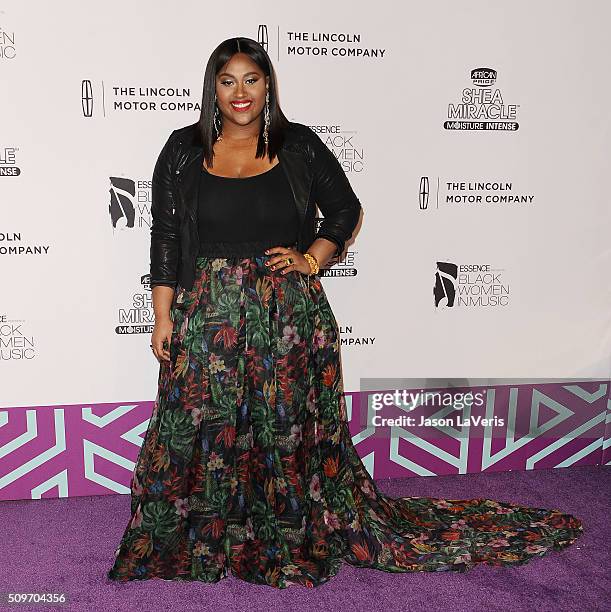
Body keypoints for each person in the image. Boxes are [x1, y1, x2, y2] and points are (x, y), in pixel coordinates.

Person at [107, 37, 583, 589]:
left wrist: (312, 257)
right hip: (208, 312)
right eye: (228, 80)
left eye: (252, 80)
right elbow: (164, 235)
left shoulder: (299, 145)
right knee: (198, 427)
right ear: (213, 86)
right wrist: (162, 316)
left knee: (285, 429)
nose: (241, 93)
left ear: (269, 86)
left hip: (286, 316)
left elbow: (344, 209)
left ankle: (282, 536)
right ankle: (204, 538)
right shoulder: (184, 149)